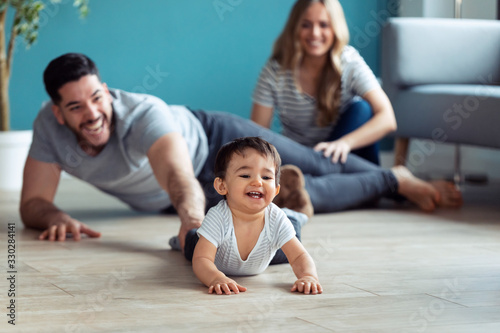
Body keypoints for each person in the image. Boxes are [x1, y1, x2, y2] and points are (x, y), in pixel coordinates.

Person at [20, 53, 461, 250]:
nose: (93, 113)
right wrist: (54, 216)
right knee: (281, 198)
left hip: (213, 142)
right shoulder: (48, 129)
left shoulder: (144, 114)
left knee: (316, 163)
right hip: (193, 192)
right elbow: (32, 204)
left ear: (107, 90)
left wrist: (193, 224)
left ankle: (398, 179)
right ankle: (391, 181)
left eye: (98, 97)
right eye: (76, 107)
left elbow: (177, 178)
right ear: (59, 113)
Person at [251, 0, 395, 165]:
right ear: (295, 28)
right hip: (300, 157)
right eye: (306, 25)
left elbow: (388, 119)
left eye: (324, 25)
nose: (315, 33)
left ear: (335, 28)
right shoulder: (276, 70)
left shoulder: (349, 62)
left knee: (362, 108)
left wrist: (344, 143)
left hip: (342, 153)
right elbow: (257, 134)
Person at [191, 137, 322, 295]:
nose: (258, 182)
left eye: (266, 177)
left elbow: (300, 255)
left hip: (264, 254)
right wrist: (216, 278)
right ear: (222, 185)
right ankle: (185, 237)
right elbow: (201, 260)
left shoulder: (275, 218)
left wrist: (308, 276)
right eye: (246, 175)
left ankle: (297, 213)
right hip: (218, 249)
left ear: (275, 190)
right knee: (192, 243)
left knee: (293, 235)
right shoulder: (218, 217)